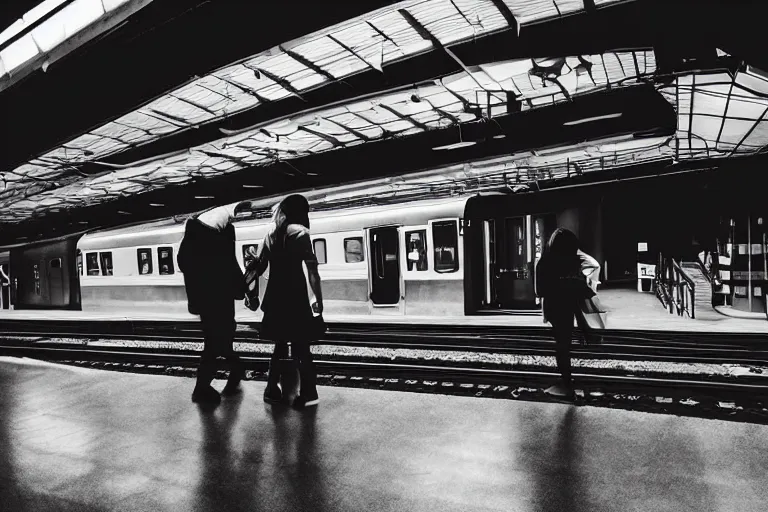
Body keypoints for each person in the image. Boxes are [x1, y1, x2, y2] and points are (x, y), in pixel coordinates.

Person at [245, 194, 324, 409]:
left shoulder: (270, 234)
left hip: (276, 297)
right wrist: (318, 299)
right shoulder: (301, 234)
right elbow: (312, 271)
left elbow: (257, 268)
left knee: (279, 347)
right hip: (296, 297)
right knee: (301, 349)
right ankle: (309, 393)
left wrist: (250, 294)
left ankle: (272, 389)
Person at [177, 203, 247, 405]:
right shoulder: (219, 238)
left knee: (218, 340)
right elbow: (231, 265)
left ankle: (236, 371)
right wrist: (241, 288)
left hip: (206, 302)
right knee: (217, 343)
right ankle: (201, 388)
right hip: (220, 301)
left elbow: (186, 266)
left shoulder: (191, 239)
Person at [535, 228, 602, 400]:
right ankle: (566, 381)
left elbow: (539, 290)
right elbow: (588, 272)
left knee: (562, 343)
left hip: (555, 307)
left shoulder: (545, 262)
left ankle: (566, 380)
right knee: (564, 343)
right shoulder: (571, 262)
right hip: (566, 307)